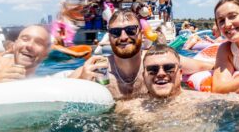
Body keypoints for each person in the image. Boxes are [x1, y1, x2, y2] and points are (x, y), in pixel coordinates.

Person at [72, 9, 213, 98]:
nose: (123, 37)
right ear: (109, 37)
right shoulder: (97, 67)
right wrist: (81, 85)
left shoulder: (157, 62)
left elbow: (207, 66)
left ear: (141, 34)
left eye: (131, 30)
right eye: (115, 32)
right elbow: (60, 91)